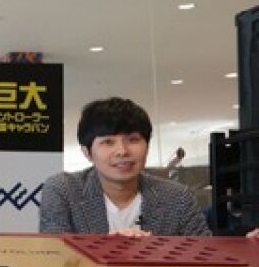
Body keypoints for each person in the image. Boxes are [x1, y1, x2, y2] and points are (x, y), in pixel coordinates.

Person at [38, 97, 210, 236]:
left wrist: (152, 251)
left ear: (147, 146)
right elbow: (55, 258)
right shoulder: (64, 191)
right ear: (87, 152)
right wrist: (107, 248)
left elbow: (205, 257)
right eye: (108, 142)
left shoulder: (177, 197)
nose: (122, 151)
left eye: (133, 140)